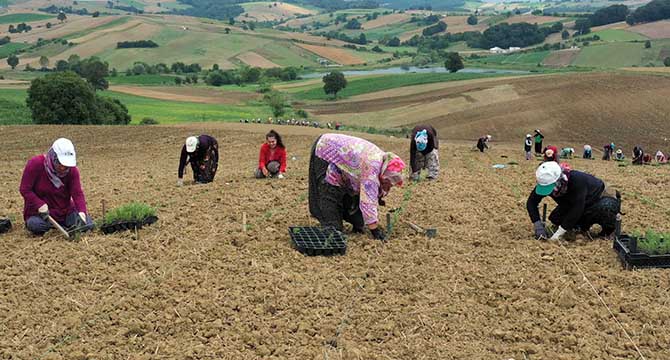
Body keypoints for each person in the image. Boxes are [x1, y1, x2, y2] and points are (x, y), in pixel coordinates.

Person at [308, 134, 405, 240]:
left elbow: (381, 187)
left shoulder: (384, 162)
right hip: (326, 148)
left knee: (359, 221)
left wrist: (379, 196)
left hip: (345, 163)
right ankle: (331, 224)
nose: (390, 185)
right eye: (388, 181)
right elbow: (367, 201)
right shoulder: (372, 169)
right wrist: (375, 231)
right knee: (330, 193)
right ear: (384, 174)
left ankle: (351, 217)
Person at [19, 138, 94, 236]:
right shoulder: (35, 164)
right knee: (34, 225)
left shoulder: (72, 171)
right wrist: (39, 204)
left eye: (66, 166)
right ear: (53, 156)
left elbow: (77, 193)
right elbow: (25, 189)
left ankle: (64, 227)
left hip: (65, 212)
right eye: (60, 163)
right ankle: (63, 227)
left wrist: (82, 213)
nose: (63, 168)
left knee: (88, 223)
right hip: (42, 215)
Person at [528, 161, 620, 241]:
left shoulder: (577, 180)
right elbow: (531, 203)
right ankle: (580, 227)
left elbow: (577, 208)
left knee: (607, 207)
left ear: (558, 180)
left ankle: (609, 231)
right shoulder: (546, 181)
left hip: (595, 201)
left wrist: (558, 234)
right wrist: (538, 225)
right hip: (573, 204)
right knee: (556, 219)